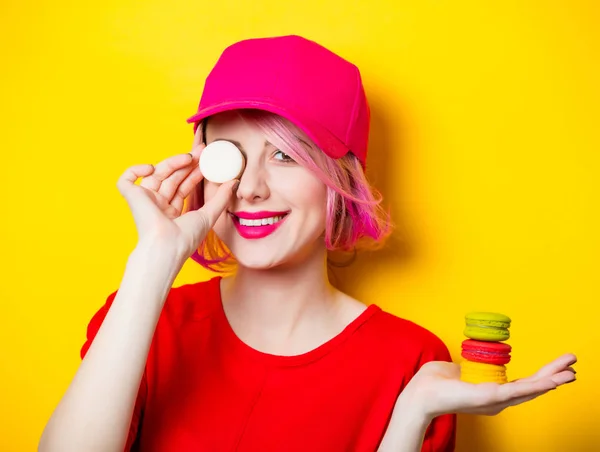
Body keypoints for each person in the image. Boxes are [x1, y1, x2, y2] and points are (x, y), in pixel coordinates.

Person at [39, 35, 577, 452]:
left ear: (340, 179)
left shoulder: (411, 363)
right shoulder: (140, 319)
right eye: (230, 153)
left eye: (284, 155)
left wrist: (411, 418)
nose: (249, 188)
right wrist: (151, 265)